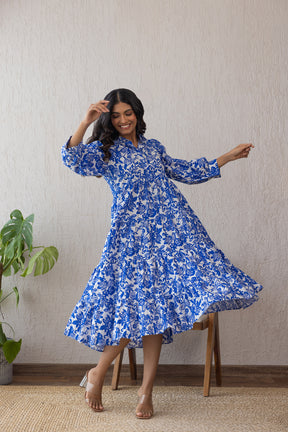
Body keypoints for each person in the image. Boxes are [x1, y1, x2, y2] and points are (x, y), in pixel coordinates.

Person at [61, 88, 263, 419]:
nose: (123, 120)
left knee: (154, 315)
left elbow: (186, 171)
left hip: (169, 239)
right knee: (132, 313)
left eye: (128, 113)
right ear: (109, 120)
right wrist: (85, 122)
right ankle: (98, 372)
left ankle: (146, 392)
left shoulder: (155, 148)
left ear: (137, 114)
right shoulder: (105, 150)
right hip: (129, 242)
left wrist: (226, 157)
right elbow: (72, 159)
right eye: (116, 115)